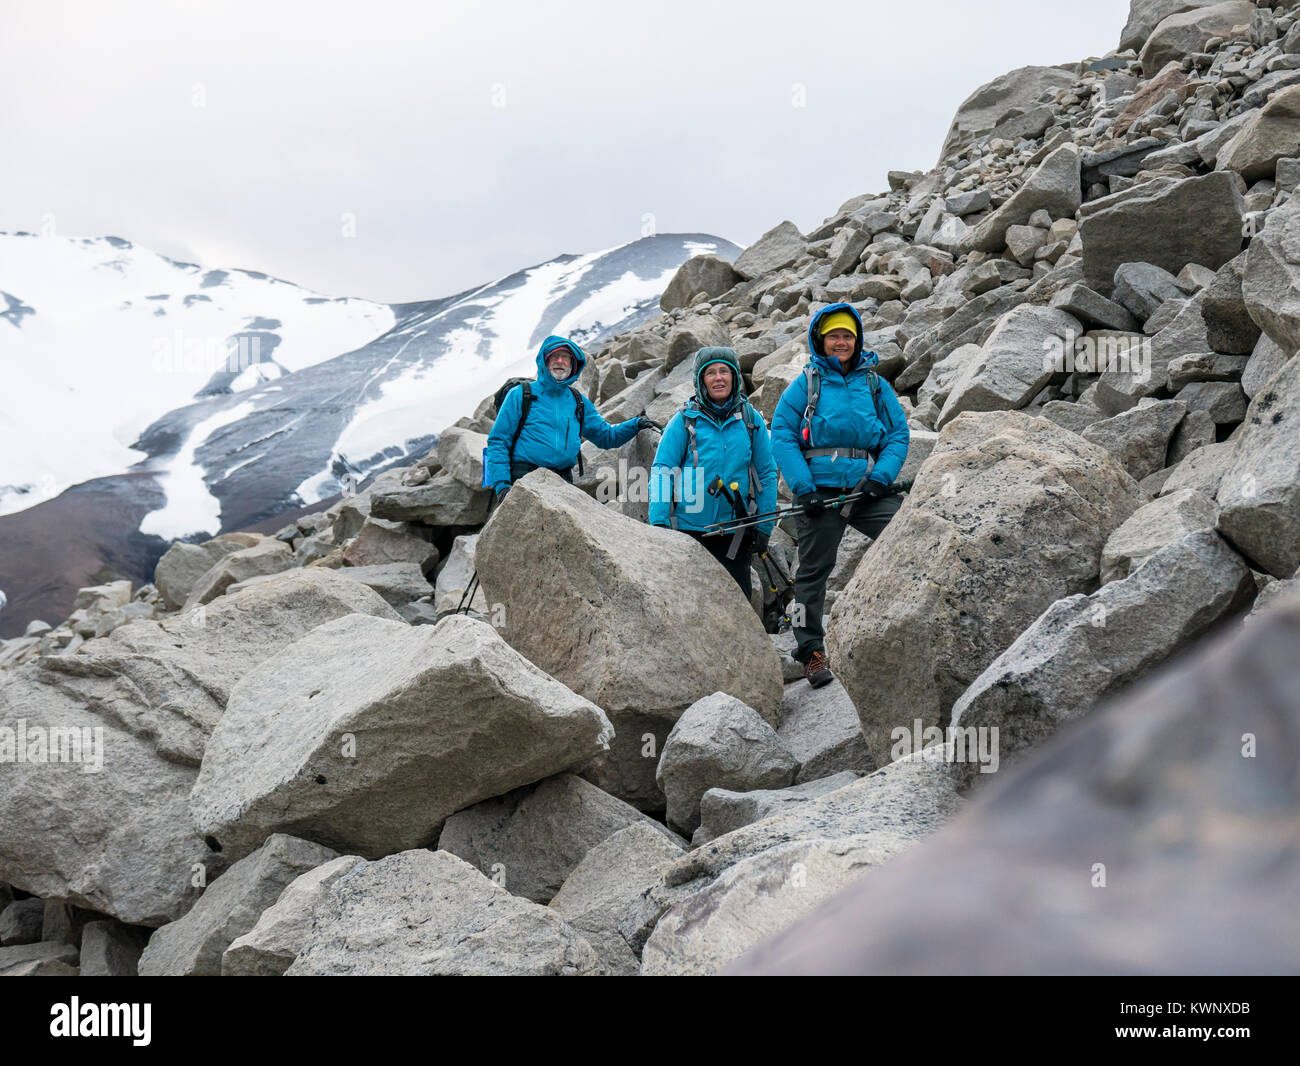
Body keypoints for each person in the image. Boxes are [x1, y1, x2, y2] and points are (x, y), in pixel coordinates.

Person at [771, 302, 910, 688]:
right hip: (819, 492)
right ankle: (810, 652)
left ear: (857, 339)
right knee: (812, 575)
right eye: (834, 335)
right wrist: (803, 488)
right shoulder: (807, 383)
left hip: (869, 490)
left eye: (847, 335)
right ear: (821, 340)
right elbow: (781, 434)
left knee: (910, 539)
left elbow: (898, 434)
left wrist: (881, 477)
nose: (841, 342)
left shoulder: (874, 384)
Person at [649, 346, 777, 597]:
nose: (718, 378)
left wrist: (765, 525)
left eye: (724, 371)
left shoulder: (750, 419)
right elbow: (662, 470)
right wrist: (660, 522)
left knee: (737, 604)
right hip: (689, 532)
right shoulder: (684, 421)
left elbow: (766, 473)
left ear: (735, 377)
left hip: (735, 532)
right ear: (700, 381)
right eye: (710, 373)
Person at [484, 335, 658, 501]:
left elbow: (606, 437)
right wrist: (503, 487)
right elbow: (498, 442)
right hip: (524, 477)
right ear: (544, 361)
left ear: (573, 365)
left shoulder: (578, 401)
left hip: (562, 480)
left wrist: (636, 424)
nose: (560, 361)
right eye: (554, 356)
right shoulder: (521, 394)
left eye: (565, 357)